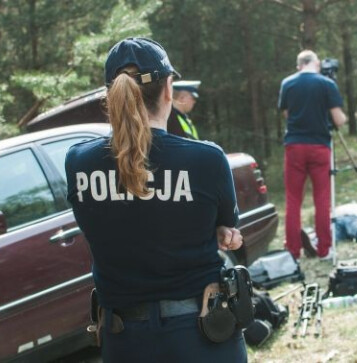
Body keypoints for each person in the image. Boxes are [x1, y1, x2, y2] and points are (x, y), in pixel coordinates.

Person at [64, 38, 247, 363]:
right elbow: (228, 231)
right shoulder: (206, 159)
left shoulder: (78, 162)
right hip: (202, 335)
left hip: (123, 340)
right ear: (168, 90)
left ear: (112, 94)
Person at [278, 50, 347, 261]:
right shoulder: (326, 84)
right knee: (322, 199)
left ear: (299, 65)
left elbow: (286, 113)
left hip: (295, 146)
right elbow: (339, 120)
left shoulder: (287, 83)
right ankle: (325, 250)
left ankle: (293, 251)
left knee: (293, 200)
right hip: (319, 146)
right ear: (316, 64)